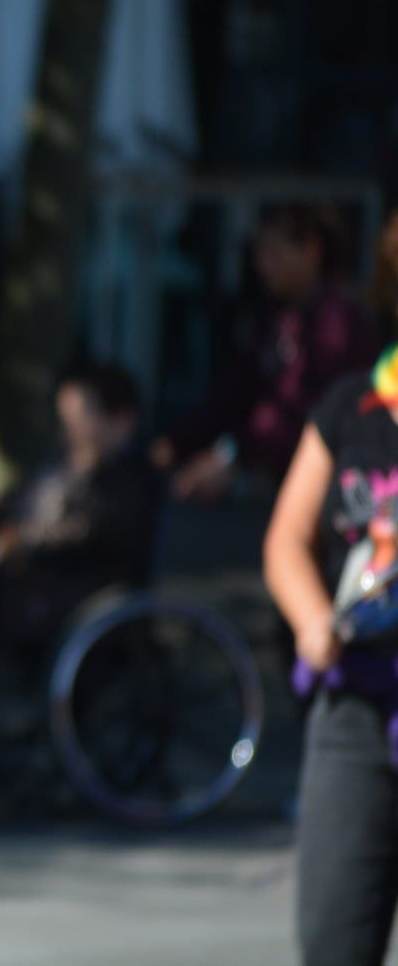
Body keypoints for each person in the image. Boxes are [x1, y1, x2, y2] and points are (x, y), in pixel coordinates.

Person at [264, 334, 398, 965]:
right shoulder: (353, 403)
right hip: (356, 702)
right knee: (334, 939)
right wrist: (313, 617)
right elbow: (288, 537)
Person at [155, 204, 378, 501]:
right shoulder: (276, 317)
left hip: (326, 482)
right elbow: (235, 389)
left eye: (274, 253)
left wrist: (232, 457)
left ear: (311, 252)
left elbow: (302, 410)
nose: (263, 265)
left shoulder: (338, 322)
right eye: (260, 253)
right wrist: (179, 441)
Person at [0, 365, 161, 679]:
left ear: (120, 421)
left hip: (76, 588)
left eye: (79, 420)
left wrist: (17, 543)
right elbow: (9, 504)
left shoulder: (131, 477)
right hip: (39, 575)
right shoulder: (62, 462)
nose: (69, 430)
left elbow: (90, 534)